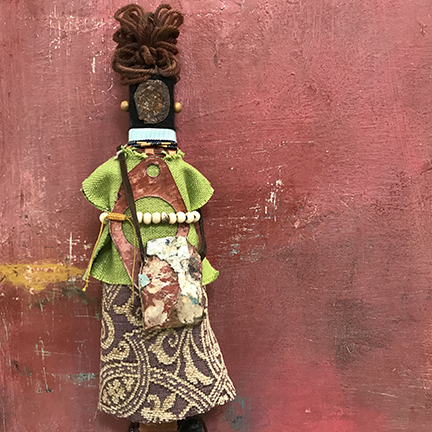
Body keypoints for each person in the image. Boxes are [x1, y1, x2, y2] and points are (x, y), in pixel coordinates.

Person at [81, 4, 236, 432]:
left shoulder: (181, 170)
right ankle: (140, 418)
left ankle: (188, 417)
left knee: (186, 338)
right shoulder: (117, 168)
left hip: (175, 274)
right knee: (128, 340)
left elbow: (194, 211)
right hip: (127, 273)